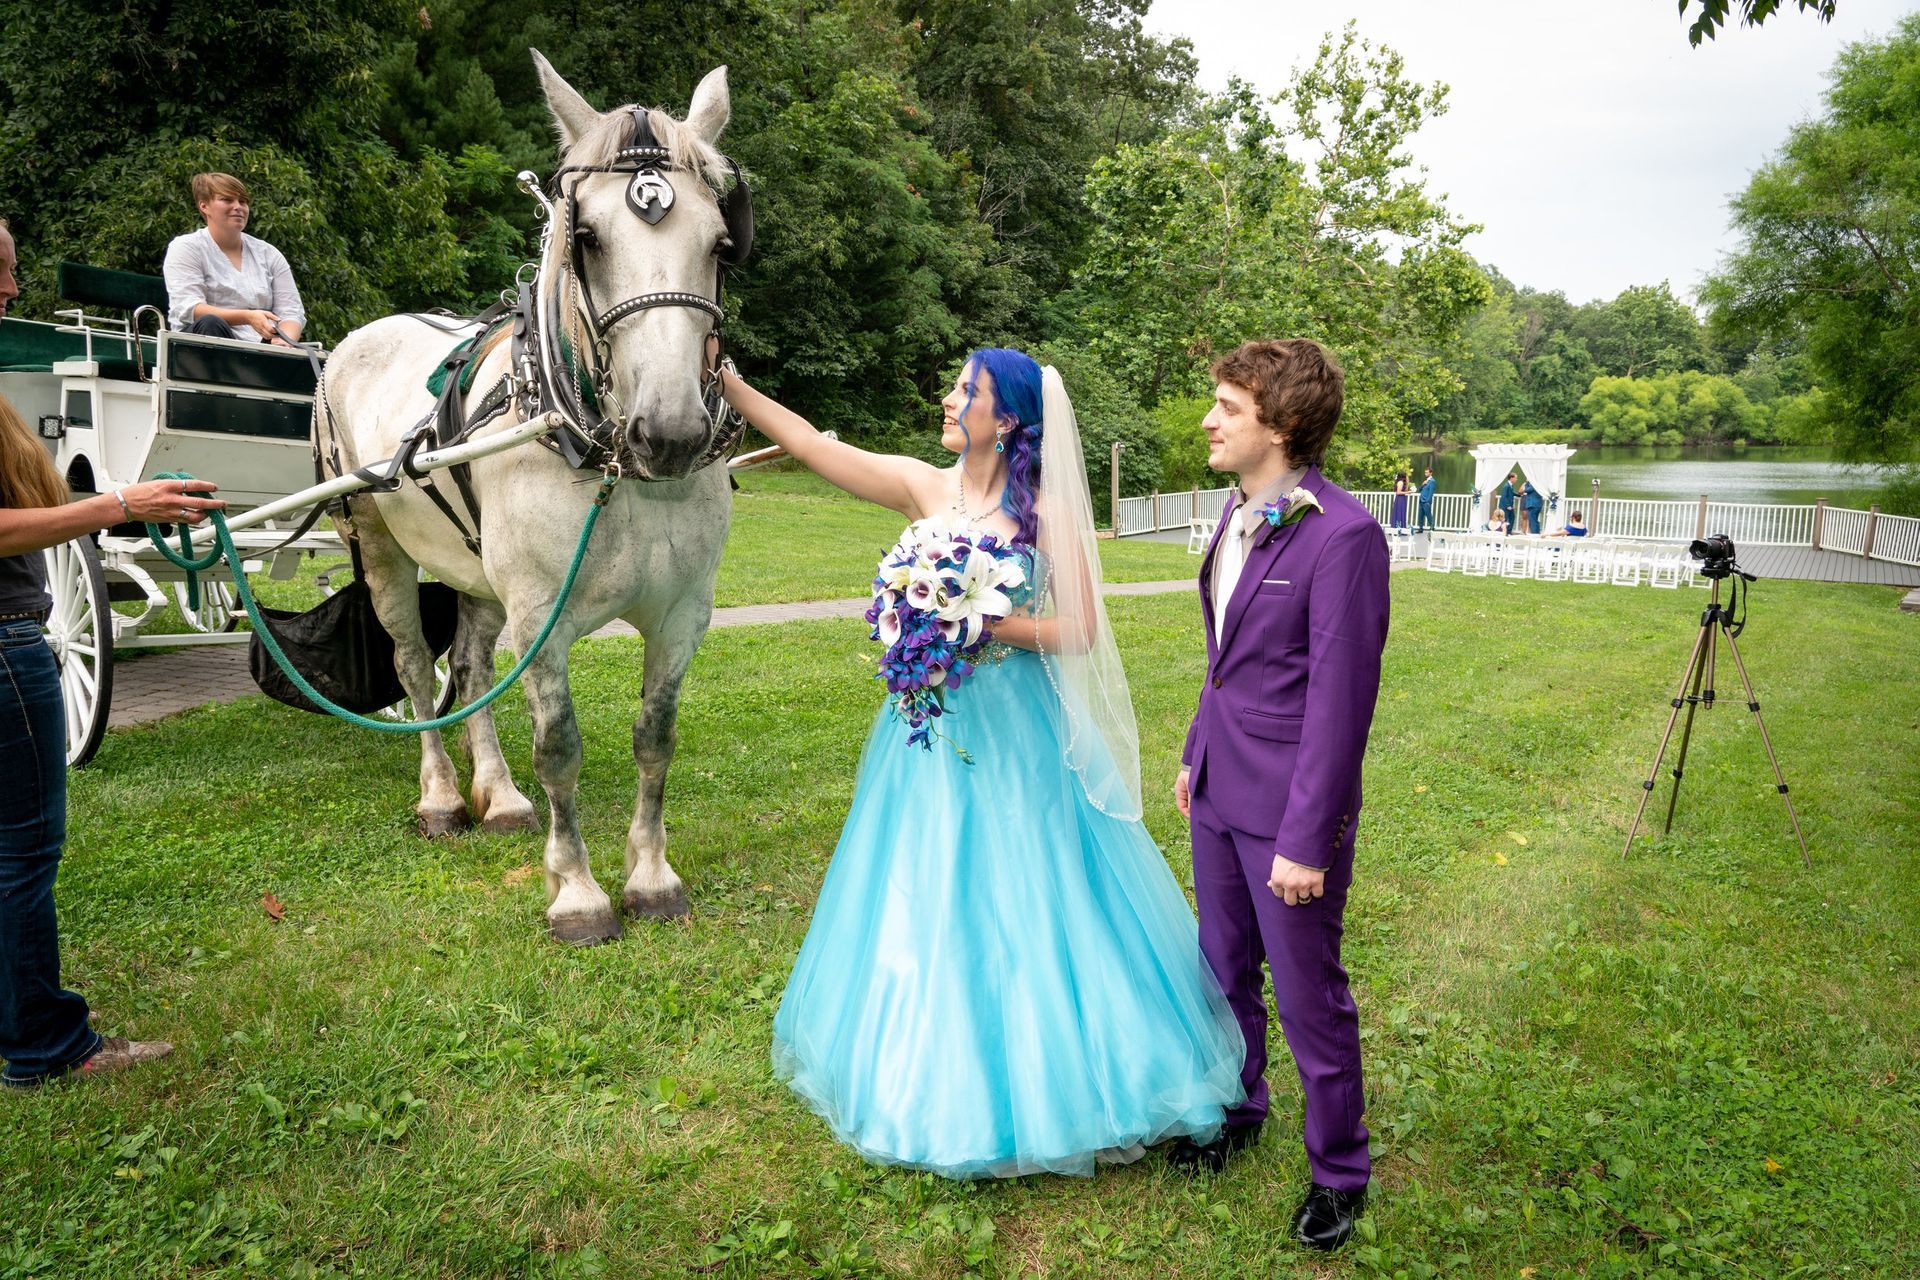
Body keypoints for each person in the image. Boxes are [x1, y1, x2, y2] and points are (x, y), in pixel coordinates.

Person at [721, 348, 1245, 1179]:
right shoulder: (927, 488)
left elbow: (1077, 629)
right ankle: (927, 1063)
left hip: (1017, 729)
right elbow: (820, 452)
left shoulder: (1046, 518)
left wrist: (985, 624)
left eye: (967, 390)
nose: (948, 397)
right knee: (924, 876)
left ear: (1006, 420)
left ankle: (1067, 1076)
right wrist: (734, 387)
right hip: (925, 728)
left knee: (1034, 883)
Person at [1173, 339, 1388, 1253]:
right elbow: (1228, 665)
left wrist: (1308, 841)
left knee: (1309, 996)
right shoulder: (1237, 514)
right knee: (1221, 970)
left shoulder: (1342, 536)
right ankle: (1238, 1105)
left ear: (1283, 424)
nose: (1209, 420)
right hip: (1220, 791)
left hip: (1290, 817)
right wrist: (1194, 755)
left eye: (1228, 405)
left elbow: (1339, 707)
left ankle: (1339, 1170)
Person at [2, 381, 223, 1088]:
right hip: (6, 651)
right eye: (1, 268)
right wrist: (122, 505)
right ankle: (45, 1047)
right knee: (24, 853)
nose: (11, 287)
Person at [162, 173, 306, 345]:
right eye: (227, 200)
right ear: (204, 206)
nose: (238, 207)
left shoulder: (269, 253)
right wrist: (247, 317)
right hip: (200, 347)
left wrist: (285, 341)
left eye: (243, 201)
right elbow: (189, 308)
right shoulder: (186, 247)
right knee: (210, 322)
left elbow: (291, 312)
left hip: (259, 347)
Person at [1415, 467, 1436, 533]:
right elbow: (1419, 490)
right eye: (1425, 472)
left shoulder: (1432, 481)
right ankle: (1420, 528)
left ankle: (1432, 528)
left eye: (1427, 472)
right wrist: (1422, 484)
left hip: (1426, 501)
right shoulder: (1426, 481)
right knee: (1420, 515)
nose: (1425, 474)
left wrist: (1428, 501)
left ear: (1431, 473)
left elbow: (1431, 492)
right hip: (1421, 500)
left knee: (1428, 515)